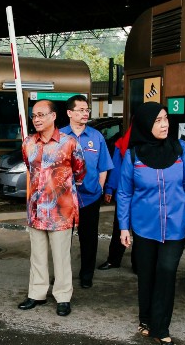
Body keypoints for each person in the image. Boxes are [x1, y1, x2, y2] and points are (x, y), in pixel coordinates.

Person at [117, 102, 185, 345]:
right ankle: (145, 318)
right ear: (144, 124)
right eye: (157, 121)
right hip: (144, 227)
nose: (164, 124)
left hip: (176, 226)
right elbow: (124, 193)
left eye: (165, 119)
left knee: (166, 271)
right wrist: (124, 227)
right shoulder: (133, 154)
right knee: (146, 273)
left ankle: (161, 329)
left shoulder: (181, 148)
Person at [17, 100, 86, 317]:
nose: (36, 119)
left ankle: (63, 297)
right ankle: (37, 293)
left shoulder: (69, 143)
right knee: (37, 255)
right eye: (34, 116)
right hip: (36, 209)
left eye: (41, 115)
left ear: (54, 116)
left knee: (61, 256)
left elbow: (80, 171)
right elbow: (30, 169)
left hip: (61, 210)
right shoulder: (28, 143)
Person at [60, 95, 113, 288]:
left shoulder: (96, 137)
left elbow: (104, 166)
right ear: (69, 113)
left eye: (86, 110)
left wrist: (99, 188)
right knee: (62, 240)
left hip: (89, 197)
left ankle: (86, 275)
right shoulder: (59, 136)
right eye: (80, 110)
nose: (85, 113)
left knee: (89, 238)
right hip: (64, 199)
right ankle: (61, 275)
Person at [97, 125, 136, 272]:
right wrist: (109, 189)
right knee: (120, 227)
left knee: (141, 231)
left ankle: (139, 263)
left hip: (144, 195)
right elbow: (116, 169)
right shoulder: (121, 144)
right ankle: (114, 260)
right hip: (124, 193)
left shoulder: (152, 146)